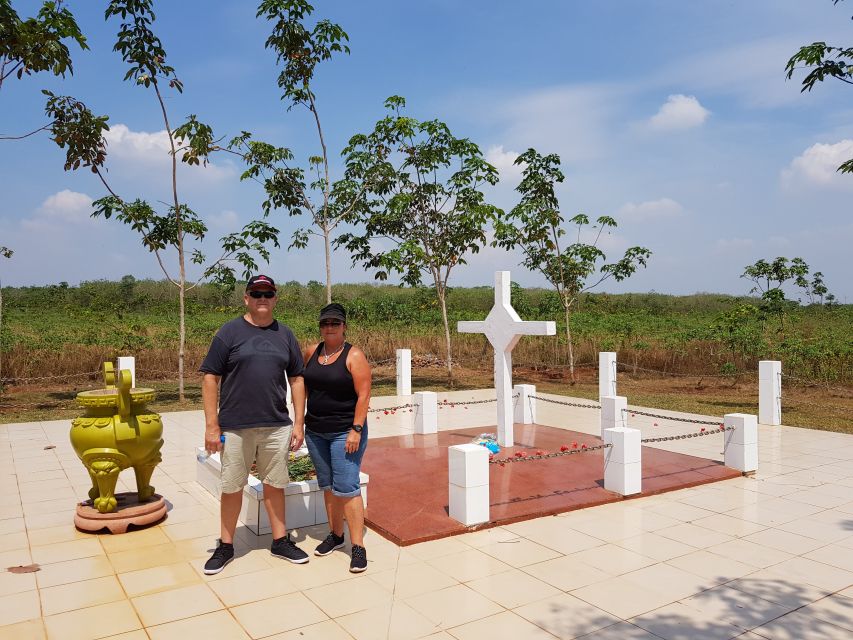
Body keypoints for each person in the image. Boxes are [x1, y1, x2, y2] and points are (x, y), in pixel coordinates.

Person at [200, 275, 309, 574]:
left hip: (276, 425)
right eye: (256, 293)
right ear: (246, 298)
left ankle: (280, 540)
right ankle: (225, 545)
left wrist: (298, 422)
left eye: (268, 293)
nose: (262, 297)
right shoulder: (229, 332)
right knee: (232, 486)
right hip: (235, 426)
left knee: (275, 484)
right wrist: (212, 425)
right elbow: (210, 376)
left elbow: (297, 379)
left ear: (275, 298)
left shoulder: (285, 335)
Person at [302, 302, 372, 573]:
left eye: (334, 323)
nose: (329, 327)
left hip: (346, 431)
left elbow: (364, 394)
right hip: (316, 431)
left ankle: (358, 546)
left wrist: (356, 429)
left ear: (344, 326)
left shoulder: (354, 355)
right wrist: (299, 423)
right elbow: (303, 388)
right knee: (329, 487)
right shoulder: (311, 352)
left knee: (348, 488)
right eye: (324, 323)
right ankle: (335, 535)